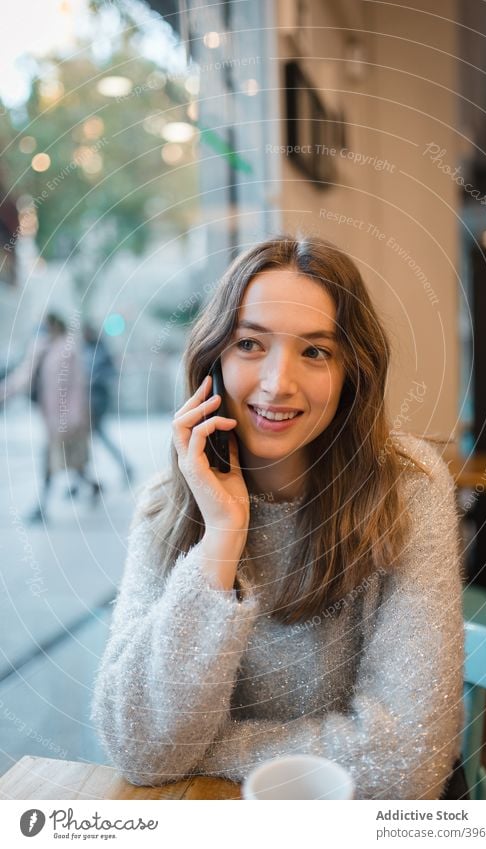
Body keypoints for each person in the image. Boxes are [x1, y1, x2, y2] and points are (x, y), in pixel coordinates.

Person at [90, 235, 466, 799]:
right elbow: (138, 746)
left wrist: (207, 749)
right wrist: (221, 537)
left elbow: (408, 763)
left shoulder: (410, 491)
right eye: (249, 344)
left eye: (315, 351)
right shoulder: (162, 506)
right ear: (213, 358)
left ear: (350, 373)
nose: (276, 383)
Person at [0, 312, 100, 522]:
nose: (43, 328)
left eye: (46, 325)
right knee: (72, 462)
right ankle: (92, 487)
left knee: (54, 460)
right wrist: (4, 392)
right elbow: (24, 375)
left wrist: (77, 416)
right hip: (51, 418)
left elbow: (78, 385)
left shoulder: (69, 349)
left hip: (69, 419)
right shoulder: (41, 347)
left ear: (56, 325)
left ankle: (41, 507)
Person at [82, 323, 133, 486]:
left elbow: (110, 373)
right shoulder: (86, 349)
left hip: (97, 401)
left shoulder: (100, 350)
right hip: (90, 400)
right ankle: (84, 479)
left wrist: (93, 380)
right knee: (91, 439)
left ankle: (85, 479)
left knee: (96, 438)